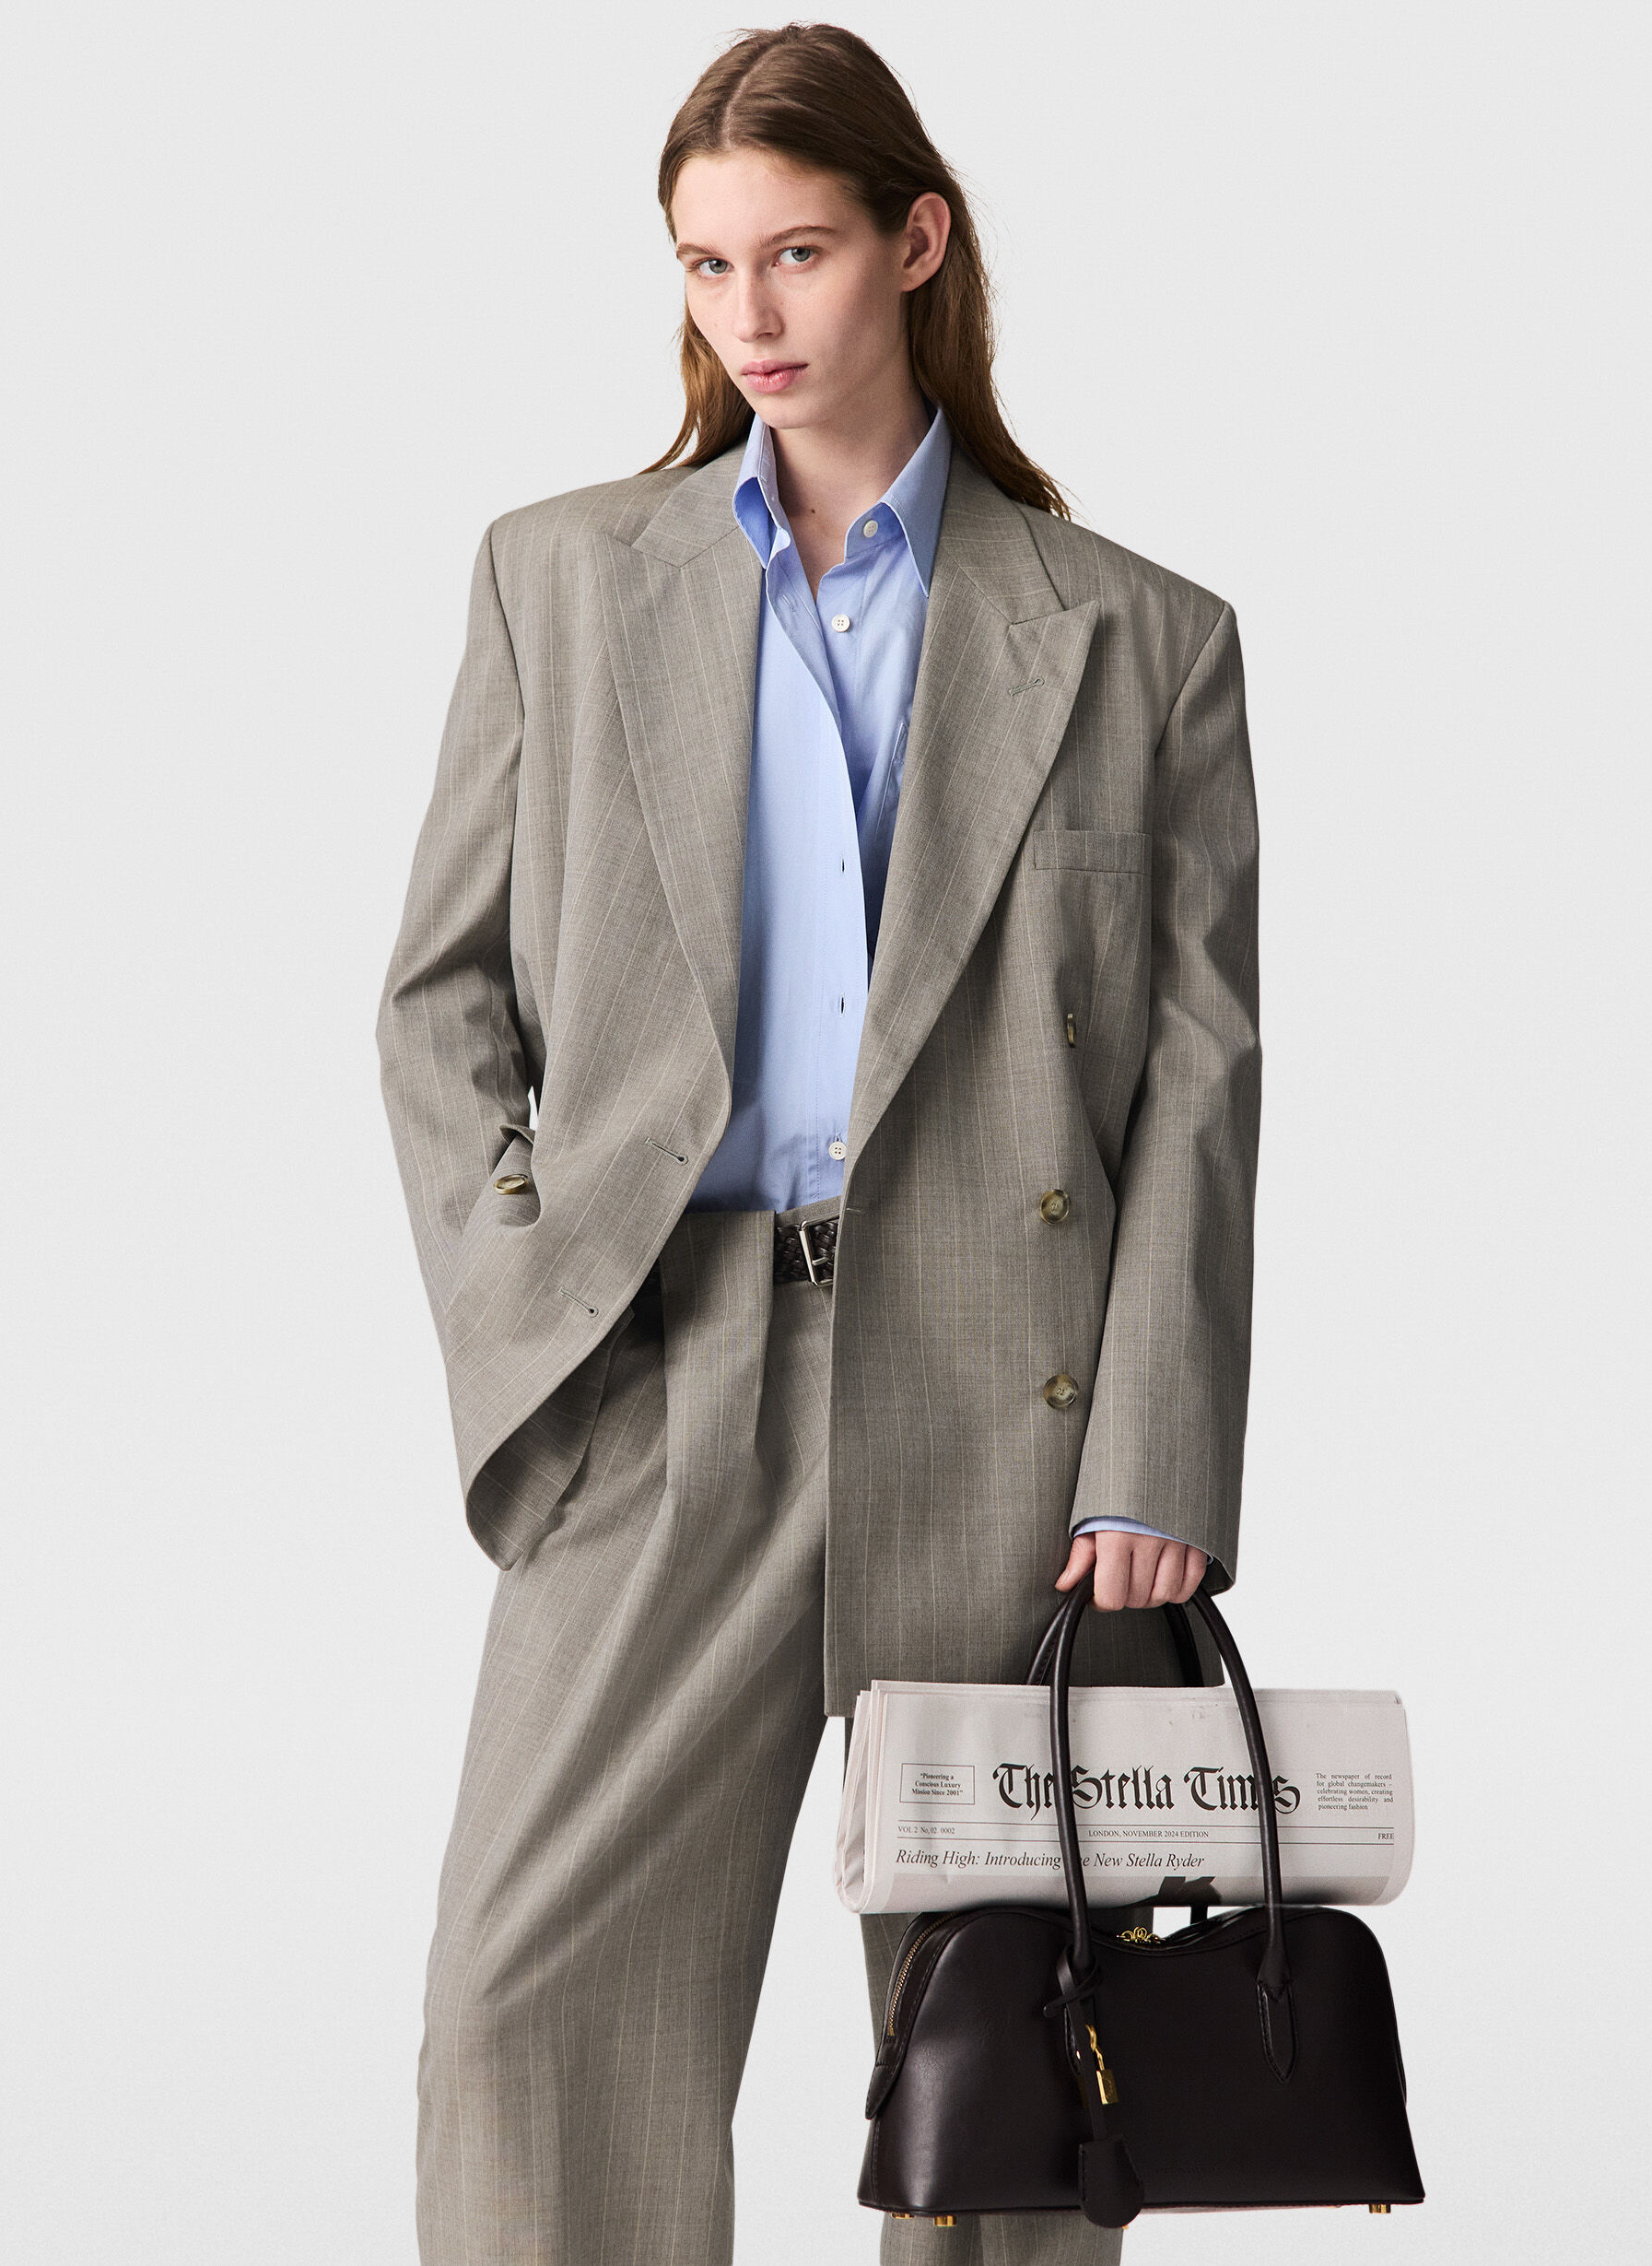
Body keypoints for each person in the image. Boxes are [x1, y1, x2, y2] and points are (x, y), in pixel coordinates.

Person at [376, 23, 1260, 2265]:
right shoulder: (559, 578)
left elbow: (1195, 1080)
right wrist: (529, 1302)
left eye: (796, 253)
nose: (748, 314)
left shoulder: (1140, 640)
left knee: (1009, 2070)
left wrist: (1152, 1455)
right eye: (704, 266)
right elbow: (441, 1000)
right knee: (522, 2019)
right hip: (659, 1380)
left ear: (914, 243)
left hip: (1007, 1419)